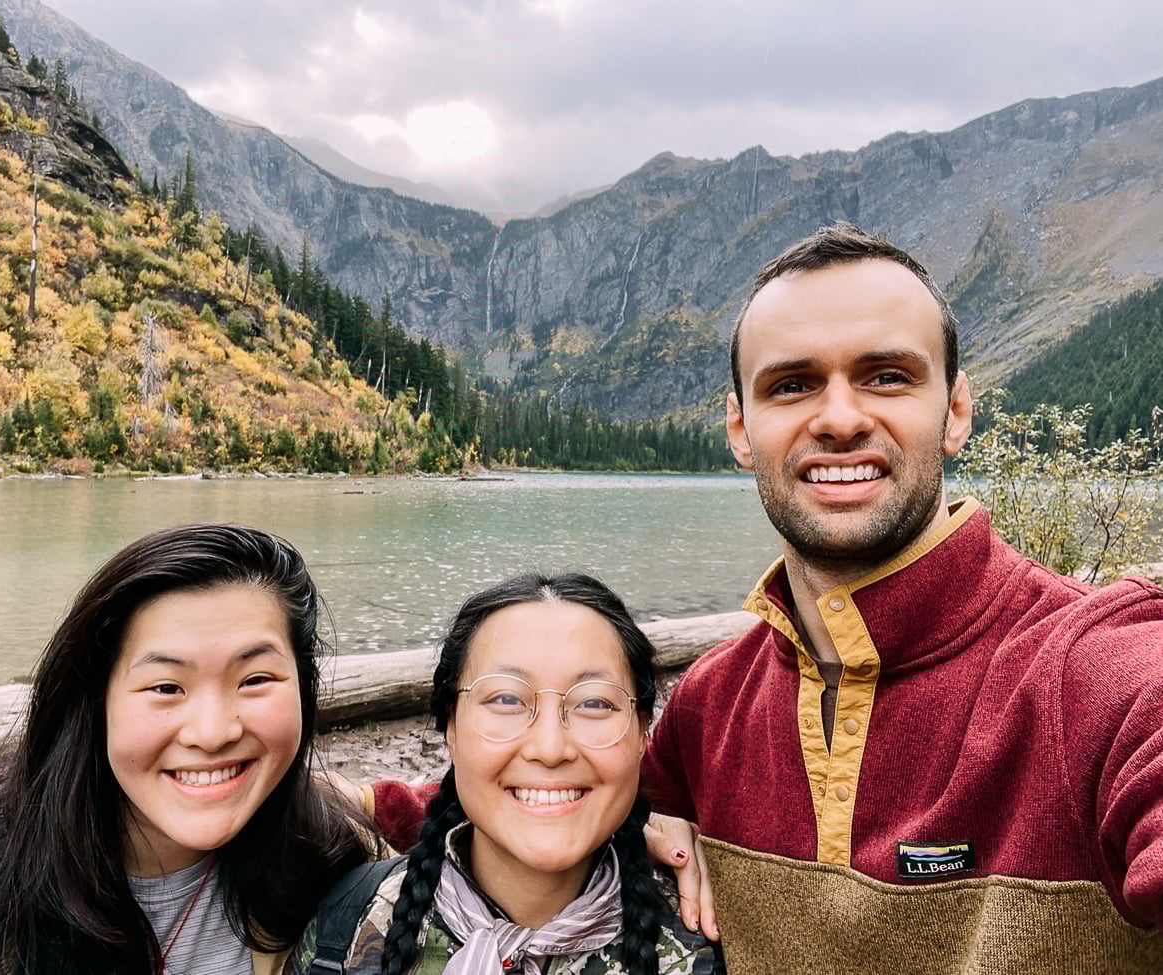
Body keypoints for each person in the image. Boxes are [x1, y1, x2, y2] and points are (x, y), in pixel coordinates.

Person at [368, 225, 1163, 973]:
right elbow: (553, 784)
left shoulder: (1099, 671)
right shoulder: (714, 704)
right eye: (793, 385)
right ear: (740, 429)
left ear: (955, 410)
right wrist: (352, 797)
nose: (840, 418)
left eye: (887, 376)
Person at [0, 523, 372, 974]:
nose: (213, 732)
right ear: (94, 702)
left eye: (255, 679)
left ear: (303, 687)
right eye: (166, 687)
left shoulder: (335, 860)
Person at [292, 573, 721, 975]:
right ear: (450, 727)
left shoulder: (711, 948)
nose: (549, 748)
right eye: (506, 699)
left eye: (594, 703)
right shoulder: (342, 933)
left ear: (643, 732)